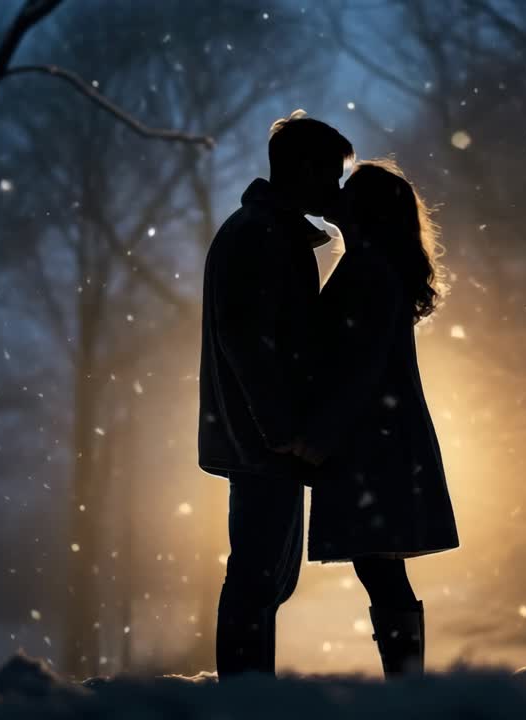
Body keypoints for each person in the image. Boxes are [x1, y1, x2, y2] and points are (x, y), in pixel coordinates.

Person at [198, 110, 352, 679]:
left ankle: (250, 692)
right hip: (264, 439)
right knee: (259, 576)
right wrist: (281, 428)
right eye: (331, 176)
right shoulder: (263, 235)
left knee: (266, 576)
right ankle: (245, 697)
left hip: (259, 436)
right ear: (307, 169)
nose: (335, 189)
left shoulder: (262, 229)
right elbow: (249, 341)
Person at [293, 159, 461, 677]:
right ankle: (405, 680)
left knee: (378, 564)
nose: (336, 195)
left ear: (364, 210)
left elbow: (359, 365)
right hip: (384, 436)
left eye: (348, 191)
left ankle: (406, 684)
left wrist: (318, 438)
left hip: (373, 440)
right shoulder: (377, 265)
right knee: (381, 565)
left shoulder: (368, 270)